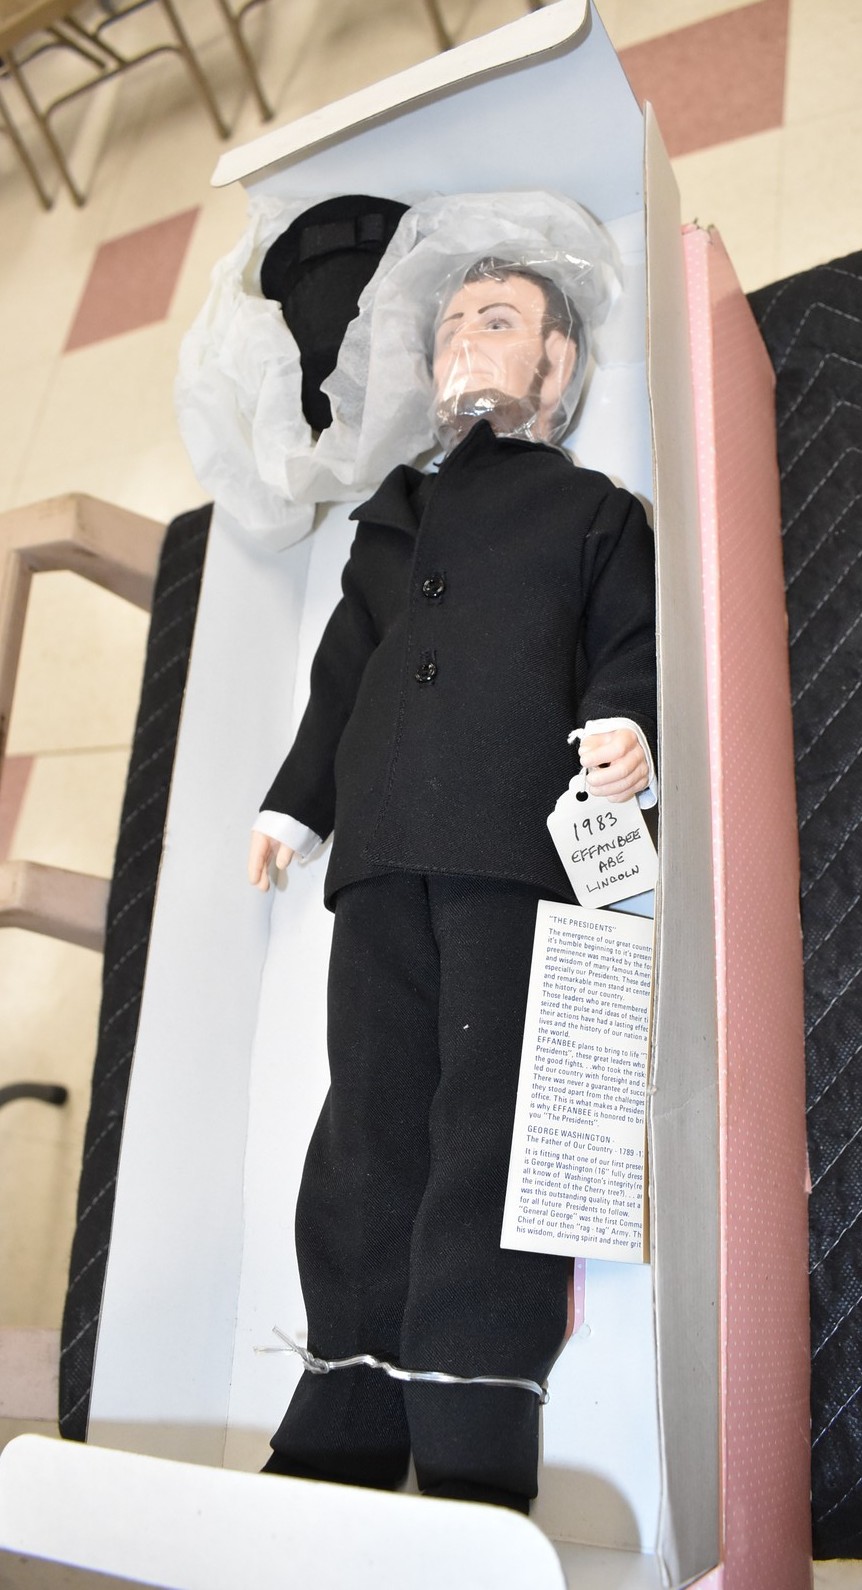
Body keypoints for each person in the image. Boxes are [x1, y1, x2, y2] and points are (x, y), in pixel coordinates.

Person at [248, 256, 657, 1513]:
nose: (467, 344)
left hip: (513, 840)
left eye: (499, 320)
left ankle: (474, 1416)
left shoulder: (592, 511)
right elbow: (342, 674)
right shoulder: (392, 518)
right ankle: (347, 1401)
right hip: (378, 851)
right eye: (450, 331)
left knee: (496, 1118)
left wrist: (625, 722)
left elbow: (629, 636)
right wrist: (294, 804)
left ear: (558, 365)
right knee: (368, 1115)